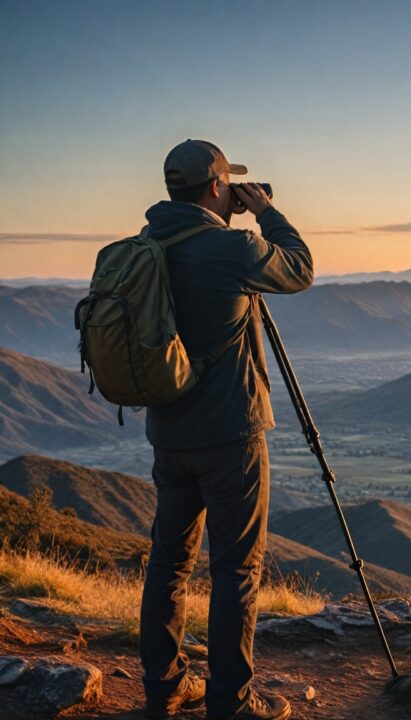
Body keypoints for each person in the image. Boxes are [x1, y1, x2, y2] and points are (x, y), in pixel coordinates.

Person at [139, 139, 313, 720]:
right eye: (229, 185)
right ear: (217, 187)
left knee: (169, 562)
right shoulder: (232, 246)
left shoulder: (146, 244)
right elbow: (300, 268)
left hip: (168, 431)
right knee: (235, 570)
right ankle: (230, 705)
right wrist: (264, 211)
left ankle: (165, 689)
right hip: (231, 437)